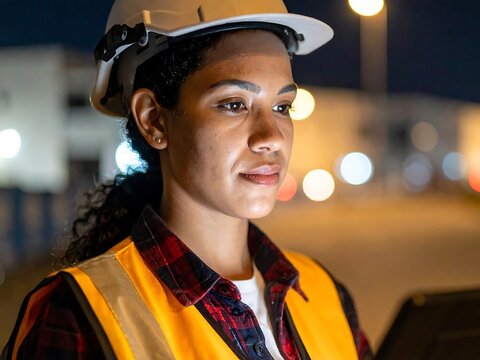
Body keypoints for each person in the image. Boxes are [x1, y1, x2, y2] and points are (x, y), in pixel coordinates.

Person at [2, 1, 371, 359]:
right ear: (154, 119)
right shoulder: (80, 319)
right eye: (234, 104)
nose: (271, 137)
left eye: (281, 107)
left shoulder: (323, 293)